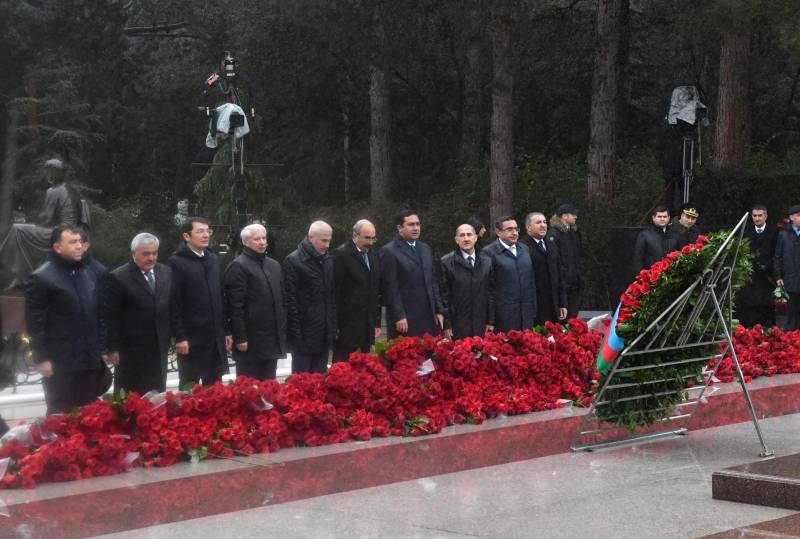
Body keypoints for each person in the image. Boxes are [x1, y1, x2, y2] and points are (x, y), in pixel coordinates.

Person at [25, 226, 108, 414]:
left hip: (89, 359)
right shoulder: (42, 278)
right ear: (57, 248)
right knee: (60, 415)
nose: (79, 246)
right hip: (61, 362)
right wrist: (42, 358)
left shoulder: (88, 273)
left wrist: (102, 348)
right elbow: (34, 324)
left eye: (80, 241)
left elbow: (98, 314)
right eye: (72, 242)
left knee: (88, 414)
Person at [104, 233, 174, 394]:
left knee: (157, 395)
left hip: (159, 345)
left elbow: (171, 306)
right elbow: (111, 315)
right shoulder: (118, 277)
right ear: (133, 253)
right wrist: (112, 347)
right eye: (146, 254)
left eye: (154, 253)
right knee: (131, 397)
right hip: (131, 350)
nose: (151, 258)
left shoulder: (165, 272)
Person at [168, 217, 231, 388]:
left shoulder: (213, 259)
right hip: (191, 339)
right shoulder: (176, 262)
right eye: (200, 231)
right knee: (190, 388)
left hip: (214, 336)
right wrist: (180, 337)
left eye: (207, 231)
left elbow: (220, 298)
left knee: (215, 387)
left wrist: (226, 331)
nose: (205, 235)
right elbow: (174, 303)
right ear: (186, 236)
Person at [224, 224, 287, 380]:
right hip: (251, 341)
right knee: (249, 389)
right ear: (245, 242)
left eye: (264, 238)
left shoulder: (274, 265)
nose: (261, 242)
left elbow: (281, 300)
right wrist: (240, 337)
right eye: (256, 239)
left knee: (269, 386)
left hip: (272, 339)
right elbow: (235, 306)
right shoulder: (238, 266)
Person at [380, 210, 444, 339]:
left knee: (429, 357)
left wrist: (439, 310)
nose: (415, 228)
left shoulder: (425, 249)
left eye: (418, 224)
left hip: (428, 316)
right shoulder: (389, 251)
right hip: (406, 319)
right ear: (399, 228)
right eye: (411, 224)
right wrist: (399, 316)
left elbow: (432, 282)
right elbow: (391, 287)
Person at [283, 221, 337, 373]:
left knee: (319, 381)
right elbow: (290, 301)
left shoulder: (327, 259)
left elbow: (331, 297)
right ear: (310, 237)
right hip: (303, 333)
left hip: (323, 332)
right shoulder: (293, 261)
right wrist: (295, 335)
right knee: (301, 382)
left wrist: (331, 328)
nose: (327, 245)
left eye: (329, 240)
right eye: (323, 240)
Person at [332, 219, 381, 361]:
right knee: (343, 369)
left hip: (366, 326)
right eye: (367, 238)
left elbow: (375, 290)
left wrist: (375, 321)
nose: (370, 242)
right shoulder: (341, 255)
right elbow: (335, 292)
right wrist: (336, 326)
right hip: (347, 326)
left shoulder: (373, 255)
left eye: (373, 238)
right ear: (355, 235)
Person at [439, 223, 493, 339]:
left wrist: (491, 321)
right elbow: (444, 296)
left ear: (476, 237)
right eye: (462, 235)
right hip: (458, 325)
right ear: (456, 239)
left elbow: (491, 293)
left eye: (469, 235)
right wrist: (447, 325)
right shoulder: (446, 262)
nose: (466, 238)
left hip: (481, 324)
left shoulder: (487, 262)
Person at [484, 215, 537, 332]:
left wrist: (533, 309)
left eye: (516, 229)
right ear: (498, 232)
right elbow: (488, 289)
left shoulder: (525, 249)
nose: (514, 233)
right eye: (509, 229)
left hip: (526, 314)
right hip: (503, 317)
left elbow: (531, 281)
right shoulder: (488, 253)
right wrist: (490, 319)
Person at [735, 205, 778, 328]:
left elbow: (777, 254)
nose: (757, 218)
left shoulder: (774, 232)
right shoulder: (745, 231)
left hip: (767, 278)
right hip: (749, 277)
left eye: (760, 215)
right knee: (748, 307)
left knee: (766, 308)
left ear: (766, 216)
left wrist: (768, 266)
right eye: (754, 216)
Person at [521, 212, 567, 325]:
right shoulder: (522, 247)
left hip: (553, 307)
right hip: (535, 308)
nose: (543, 225)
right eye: (538, 222)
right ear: (528, 227)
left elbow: (559, 275)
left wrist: (562, 303)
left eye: (544, 222)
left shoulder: (551, 244)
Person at [549, 203, 582, 319]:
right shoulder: (554, 234)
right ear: (564, 216)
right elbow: (556, 261)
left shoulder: (573, 232)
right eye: (573, 214)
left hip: (575, 283)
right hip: (564, 285)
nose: (575, 217)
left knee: (573, 317)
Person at [775, 205, 800, 331]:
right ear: (791, 217)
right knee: (791, 311)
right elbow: (778, 257)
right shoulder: (784, 234)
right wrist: (778, 276)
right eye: (798, 215)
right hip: (790, 278)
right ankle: (791, 339)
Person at [633, 205, 679, 273]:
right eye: (659, 216)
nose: (662, 219)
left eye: (665, 216)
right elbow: (638, 260)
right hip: (651, 277)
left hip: (671, 277)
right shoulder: (645, 235)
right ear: (653, 218)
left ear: (669, 218)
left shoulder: (675, 235)